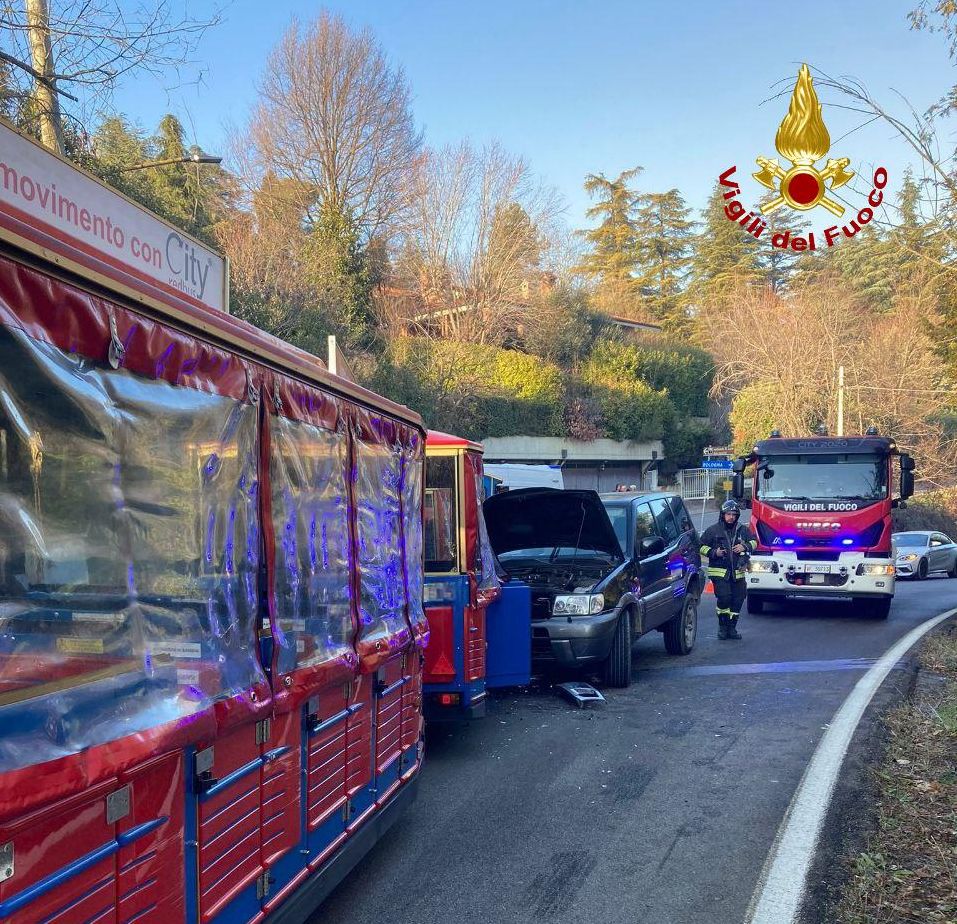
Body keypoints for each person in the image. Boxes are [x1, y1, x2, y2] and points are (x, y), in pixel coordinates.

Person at [700, 499, 757, 640]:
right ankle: (722, 627)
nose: (731, 517)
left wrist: (745, 547)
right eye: (728, 514)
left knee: (738, 600)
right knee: (724, 599)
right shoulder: (713, 530)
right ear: (722, 514)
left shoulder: (742, 530)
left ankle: (732, 629)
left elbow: (755, 541)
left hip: (738, 573)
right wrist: (714, 553)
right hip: (720, 572)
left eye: (734, 514)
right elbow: (700, 546)